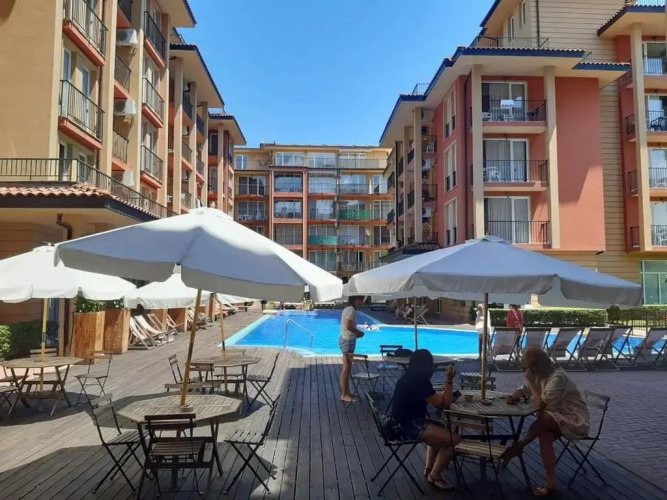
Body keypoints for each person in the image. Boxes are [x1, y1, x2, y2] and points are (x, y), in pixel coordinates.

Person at [501, 346, 591, 497]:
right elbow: (523, 389)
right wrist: (513, 397)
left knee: (543, 420)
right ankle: (551, 483)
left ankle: (519, 446)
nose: (527, 370)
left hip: (574, 419)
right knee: (544, 436)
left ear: (536, 366)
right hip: (557, 418)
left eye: (528, 367)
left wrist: (531, 381)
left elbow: (541, 404)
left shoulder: (557, 377)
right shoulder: (539, 375)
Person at [390, 349, 461, 490]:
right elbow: (445, 403)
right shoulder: (420, 382)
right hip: (407, 426)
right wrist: (449, 380)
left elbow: (432, 398)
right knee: (455, 441)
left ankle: (429, 469)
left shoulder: (408, 377)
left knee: (440, 429)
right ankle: (435, 476)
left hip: (397, 422)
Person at [339, 295, 365, 403]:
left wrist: (356, 333)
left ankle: (347, 392)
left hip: (348, 340)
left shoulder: (349, 309)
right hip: (347, 341)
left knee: (348, 367)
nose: (362, 302)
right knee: (346, 368)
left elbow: (348, 326)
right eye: (361, 300)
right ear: (356, 299)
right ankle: (344, 395)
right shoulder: (351, 310)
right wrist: (359, 332)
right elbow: (348, 326)